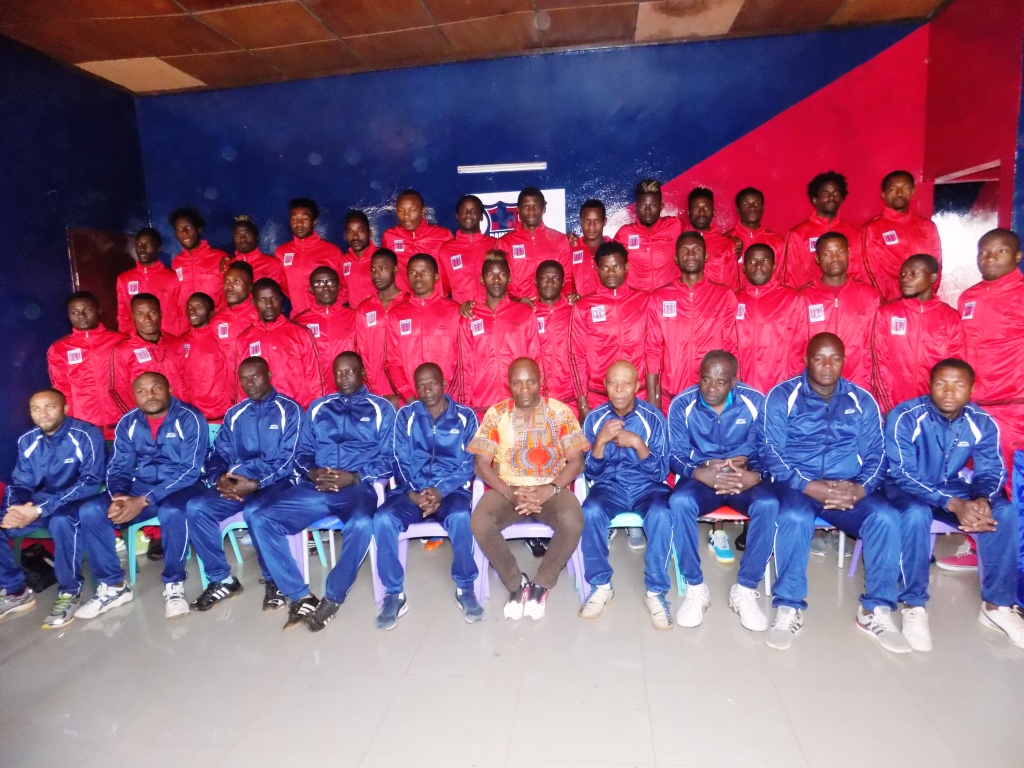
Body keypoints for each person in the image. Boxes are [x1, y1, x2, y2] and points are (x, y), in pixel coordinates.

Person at [760, 333, 909, 653]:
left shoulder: (861, 400)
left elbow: (878, 453)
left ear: (844, 361)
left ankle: (875, 610)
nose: (827, 365)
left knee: (885, 517)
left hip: (847, 485)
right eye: (819, 358)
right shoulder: (782, 396)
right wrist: (809, 485)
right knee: (794, 517)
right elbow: (771, 452)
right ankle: (789, 606)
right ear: (806, 360)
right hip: (799, 485)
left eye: (835, 359)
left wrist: (861, 487)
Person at [245, 352, 395, 631]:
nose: (343, 378)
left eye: (349, 372)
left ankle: (333, 597)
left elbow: (390, 458)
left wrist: (354, 476)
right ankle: (299, 595)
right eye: (338, 373)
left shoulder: (381, 409)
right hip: (317, 486)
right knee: (259, 518)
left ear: (363, 373)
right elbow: (301, 454)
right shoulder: (318, 408)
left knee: (362, 524)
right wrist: (312, 472)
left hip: (356, 488)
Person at [886, 358, 1024, 651]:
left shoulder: (981, 421)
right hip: (905, 488)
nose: (949, 391)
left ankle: (997, 605)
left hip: (952, 486)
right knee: (915, 513)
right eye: (941, 383)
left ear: (972, 389)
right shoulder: (906, 416)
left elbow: (991, 471)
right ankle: (913, 605)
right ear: (929, 386)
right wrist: (953, 504)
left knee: (1004, 512)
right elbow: (903, 473)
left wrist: (982, 499)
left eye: (958, 385)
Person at [77, 372, 208, 620]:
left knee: (172, 511)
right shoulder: (128, 423)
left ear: (169, 389)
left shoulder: (189, 417)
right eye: (142, 391)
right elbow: (118, 467)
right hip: (140, 487)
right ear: (134, 396)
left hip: (184, 486)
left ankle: (174, 584)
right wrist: (119, 497)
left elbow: (190, 470)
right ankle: (114, 586)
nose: (150, 395)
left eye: (156, 388)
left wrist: (143, 501)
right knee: (91, 510)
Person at [469, 358, 587, 620]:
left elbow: (577, 461)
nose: (524, 389)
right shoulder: (496, 414)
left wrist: (550, 489)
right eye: (517, 383)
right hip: (508, 489)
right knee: (480, 522)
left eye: (531, 382)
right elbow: (481, 465)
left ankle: (542, 583)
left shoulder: (560, 412)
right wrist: (510, 494)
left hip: (551, 488)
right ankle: (516, 584)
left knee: (572, 520)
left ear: (540, 382)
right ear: (509, 384)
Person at [666, 351, 776, 631]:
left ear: (734, 382)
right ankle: (695, 588)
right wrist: (700, 469)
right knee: (679, 502)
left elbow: (768, 449)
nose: (711, 388)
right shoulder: (682, 404)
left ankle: (745, 589)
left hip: (743, 478)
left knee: (768, 505)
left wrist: (755, 473)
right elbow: (674, 454)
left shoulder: (754, 402)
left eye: (720, 382)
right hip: (702, 478)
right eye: (706, 379)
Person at [185, 358, 303, 612]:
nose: (250, 383)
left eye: (256, 376)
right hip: (238, 483)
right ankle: (222, 580)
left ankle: (274, 581)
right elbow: (219, 452)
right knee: (197, 508)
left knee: (255, 512)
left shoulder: (290, 410)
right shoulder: (236, 414)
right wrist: (218, 477)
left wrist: (258, 483)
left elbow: (291, 459)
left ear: (269, 375)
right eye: (244, 379)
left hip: (278, 482)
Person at [374, 363, 481, 629]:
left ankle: (465, 587)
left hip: (451, 492)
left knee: (461, 517)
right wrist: (413, 492)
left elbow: (471, 461)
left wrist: (440, 490)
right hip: (411, 491)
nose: (427, 390)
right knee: (383, 519)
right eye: (420, 386)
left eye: (432, 383)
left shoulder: (465, 417)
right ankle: (394, 594)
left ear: (443, 383)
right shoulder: (406, 415)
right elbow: (397, 457)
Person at [948, 229, 1024, 574]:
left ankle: (1014, 567)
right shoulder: (970, 297)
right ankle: (979, 548)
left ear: (1017, 256)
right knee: (980, 482)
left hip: (1012, 407)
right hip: (976, 409)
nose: (989, 258)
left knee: (1012, 485)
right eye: (984, 252)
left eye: (999, 251)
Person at [578, 361, 675, 628]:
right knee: (589, 511)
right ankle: (601, 586)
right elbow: (590, 472)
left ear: (637, 386)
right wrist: (600, 442)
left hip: (648, 486)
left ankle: (656, 592)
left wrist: (637, 443)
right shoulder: (595, 419)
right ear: (605, 386)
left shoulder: (653, 417)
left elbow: (661, 471)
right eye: (613, 383)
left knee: (662, 513)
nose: (619, 389)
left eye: (626, 383)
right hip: (609, 487)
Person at [0, 390, 104, 627]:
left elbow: (90, 482)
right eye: (36, 409)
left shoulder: (87, 434)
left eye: (50, 407)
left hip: (76, 502)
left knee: (61, 521)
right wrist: (15, 510)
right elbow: (20, 483)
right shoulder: (28, 440)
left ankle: (70, 592)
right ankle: (15, 591)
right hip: (38, 505)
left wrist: (40, 509)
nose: (43, 414)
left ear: (65, 409)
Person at [645, 232, 738, 413]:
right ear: (676, 258)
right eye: (684, 250)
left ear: (706, 256)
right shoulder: (659, 297)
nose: (690, 255)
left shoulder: (724, 296)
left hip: (713, 396)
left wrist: (735, 388)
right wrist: (652, 395)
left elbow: (731, 346)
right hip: (672, 396)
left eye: (696, 249)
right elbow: (652, 350)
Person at [870, 254, 964, 414]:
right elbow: (879, 363)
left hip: (934, 408)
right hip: (894, 406)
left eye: (913, 274)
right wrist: (887, 407)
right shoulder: (887, 313)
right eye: (903, 274)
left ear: (932, 277)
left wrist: (942, 406)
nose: (905, 278)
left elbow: (956, 365)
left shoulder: (950, 317)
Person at [570, 242, 650, 416]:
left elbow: (654, 349)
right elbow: (576, 357)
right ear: (597, 270)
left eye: (616, 266)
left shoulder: (644, 300)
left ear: (626, 267)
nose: (611, 273)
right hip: (599, 397)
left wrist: (653, 393)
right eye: (605, 268)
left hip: (639, 394)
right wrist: (582, 404)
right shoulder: (583, 307)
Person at [458, 254, 541, 419]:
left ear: (509, 278)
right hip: (482, 405)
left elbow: (535, 358)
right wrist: (465, 406)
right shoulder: (470, 317)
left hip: (519, 403)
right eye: (490, 275)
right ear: (482, 280)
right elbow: (465, 365)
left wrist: (538, 402)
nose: (496, 280)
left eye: (502, 274)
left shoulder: (524, 313)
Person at [799, 232, 880, 390]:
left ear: (849, 254)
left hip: (860, 382)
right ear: (817, 258)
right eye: (827, 253)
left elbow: (876, 345)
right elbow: (799, 345)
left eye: (840, 252)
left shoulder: (869, 295)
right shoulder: (803, 297)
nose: (834, 258)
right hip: (817, 384)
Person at [47, 291, 126, 439]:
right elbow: (61, 388)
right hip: (84, 427)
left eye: (87, 310)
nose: (81, 316)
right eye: (74, 312)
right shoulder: (60, 348)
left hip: (122, 423)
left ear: (98, 310)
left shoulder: (121, 341)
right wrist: (66, 423)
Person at [384, 254, 461, 404]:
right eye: (413, 272)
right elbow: (392, 362)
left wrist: (446, 397)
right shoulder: (396, 314)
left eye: (424, 272)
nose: (418, 277)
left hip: (449, 401)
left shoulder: (454, 311)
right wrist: (409, 397)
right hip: (411, 402)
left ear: (436, 276)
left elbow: (461, 360)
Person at [236, 278, 323, 408]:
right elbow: (241, 385)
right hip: (263, 411)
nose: (269, 305)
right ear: (254, 302)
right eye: (262, 300)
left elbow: (314, 378)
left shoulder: (301, 333)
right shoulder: (244, 338)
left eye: (274, 298)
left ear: (281, 300)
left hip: (297, 410)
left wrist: (315, 411)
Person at [734, 245, 807, 394]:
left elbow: (799, 349)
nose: (758, 266)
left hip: (780, 388)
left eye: (765, 261)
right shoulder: (733, 300)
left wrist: (792, 386)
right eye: (752, 261)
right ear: (744, 268)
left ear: (774, 267)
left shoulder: (791, 299)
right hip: (741, 387)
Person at [862, 171, 943, 301]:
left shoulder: (927, 226)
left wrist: (926, 298)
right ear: (884, 194)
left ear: (912, 192)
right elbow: (871, 272)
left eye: (905, 188)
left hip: (921, 303)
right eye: (893, 188)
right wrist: (890, 303)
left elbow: (936, 265)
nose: (899, 193)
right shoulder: (872, 229)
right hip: (889, 303)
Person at [781, 171, 867, 287]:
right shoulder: (797, 234)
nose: (831, 197)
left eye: (836, 193)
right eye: (825, 193)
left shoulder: (853, 233)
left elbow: (859, 272)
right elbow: (789, 276)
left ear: (841, 199)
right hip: (810, 296)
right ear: (815, 199)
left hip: (846, 295)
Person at [109, 293, 186, 415]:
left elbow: (188, 380)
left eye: (152, 313)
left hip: (179, 413)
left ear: (160, 314)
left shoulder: (176, 343)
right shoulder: (123, 350)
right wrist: (135, 416)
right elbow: (116, 390)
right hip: (145, 417)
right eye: (140, 314)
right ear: (133, 317)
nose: (147, 319)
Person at [499, 187, 575, 300]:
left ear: (543, 209)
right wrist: (517, 301)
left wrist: (566, 297)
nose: (531, 211)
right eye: (526, 206)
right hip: (519, 307)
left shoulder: (560, 240)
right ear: (518, 210)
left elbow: (567, 277)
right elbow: (501, 280)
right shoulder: (505, 243)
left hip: (552, 307)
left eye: (536, 206)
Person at [275, 197, 346, 315]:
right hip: (298, 317)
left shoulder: (332, 251)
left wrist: (330, 309)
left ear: (314, 222)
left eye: (305, 219)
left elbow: (344, 286)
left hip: (327, 316)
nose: (299, 223)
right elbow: (283, 284)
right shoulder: (282, 252)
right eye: (294, 219)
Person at [355, 249, 406, 405]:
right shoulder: (364, 308)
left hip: (406, 390)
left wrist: (406, 392)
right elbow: (361, 352)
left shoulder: (408, 303)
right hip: (376, 391)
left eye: (382, 268)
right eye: (373, 269)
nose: (376, 274)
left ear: (395, 269)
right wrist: (372, 390)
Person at [293, 266, 357, 388]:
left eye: (330, 282)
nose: (325, 288)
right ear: (311, 289)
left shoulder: (355, 316)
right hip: (317, 390)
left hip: (350, 387)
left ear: (339, 286)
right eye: (319, 284)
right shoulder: (299, 322)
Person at [613, 180, 682, 293]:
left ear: (661, 206)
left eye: (653, 205)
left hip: (668, 297)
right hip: (636, 298)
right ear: (636, 207)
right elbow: (609, 261)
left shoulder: (675, 226)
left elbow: (700, 239)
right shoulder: (624, 233)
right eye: (643, 205)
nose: (648, 210)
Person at [534, 261, 583, 417]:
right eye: (544, 278)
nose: (550, 283)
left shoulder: (575, 309)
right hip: (537, 400)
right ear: (536, 282)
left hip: (571, 398)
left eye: (555, 279)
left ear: (562, 283)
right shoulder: (526, 313)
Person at [381, 189, 453, 294]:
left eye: (412, 210)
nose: (406, 215)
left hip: (437, 299)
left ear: (423, 210)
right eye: (401, 210)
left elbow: (456, 271)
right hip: (404, 301)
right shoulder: (389, 237)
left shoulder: (443, 235)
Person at [116, 227, 184, 334]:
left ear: (159, 247)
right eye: (139, 244)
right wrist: (128, 337)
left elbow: (182, 312)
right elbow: (123, 314)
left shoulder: (173, 278)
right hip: (138, 340)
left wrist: (177, 338)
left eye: (148, 244)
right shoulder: (124, 279)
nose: (142, 248)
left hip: (169, 338)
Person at [438, 195, 504, 304]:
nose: (468, 214)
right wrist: (458, 307)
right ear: (457, 216)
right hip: (463, 311)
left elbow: (507, 281)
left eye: (473, 211)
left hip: (494, 310)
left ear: (481, 216)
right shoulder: (446, 250)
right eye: (464, 210)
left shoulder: (496, 244)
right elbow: (442, 291)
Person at [180, 292, 234, 422]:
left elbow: (231, 371)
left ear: (211, 314)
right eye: (189, 307)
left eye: (198, 307)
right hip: (192, 414)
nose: (192, 311)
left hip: (220, 412)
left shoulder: (220, 338)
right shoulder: (182, 341)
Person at [168, 206, 229, 314]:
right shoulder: (176, 263)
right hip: (189, 323)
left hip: (217, 320)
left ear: (199, 230)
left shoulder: (220, 258)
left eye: (188, 227)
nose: (184, 232)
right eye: (179, 229)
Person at [683, 187, 739, 290]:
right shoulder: (680, 243)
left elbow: (732, 286)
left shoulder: (727, 244)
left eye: (706, 208)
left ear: (713, 212)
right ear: (688, 213)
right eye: (696, 208)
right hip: (688, 299)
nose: (701, 212)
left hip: (718, 299)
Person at [726, 187, 786, 276]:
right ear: (738, 210)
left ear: (763, 208)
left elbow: (780, 276)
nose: (752, 208)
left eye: (757, 204)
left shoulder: (777, 242)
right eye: (746, 204)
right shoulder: (726, 241)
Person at [209, 261, 259, 360]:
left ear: (250, 287)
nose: (229, 287)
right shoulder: (216, 321)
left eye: (237, 281)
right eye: (226, 281)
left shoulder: (260, 315)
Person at [231, 216, 288, 293]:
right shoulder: (227, 266)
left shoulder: (273, 265)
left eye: (248, 234)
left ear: (257, 237)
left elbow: (290, 293)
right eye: (238, 235)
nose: (243, 239)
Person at [569, 199, 609, 297]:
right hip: (578, 305)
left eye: (597, 221)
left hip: (607, 304)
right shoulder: (571, 248)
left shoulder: (614, 249)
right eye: (587, 221)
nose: (591, 226)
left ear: (604, 221)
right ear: (580, 221)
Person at [340, 210, 379, 309]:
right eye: (350, 232)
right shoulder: (344, 261)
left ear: (369, 233)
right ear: (346, 235)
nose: (355, 236)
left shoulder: (381, 257)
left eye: (360, 231)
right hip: (355, 315)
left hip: (379, 315)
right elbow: (343, 292)